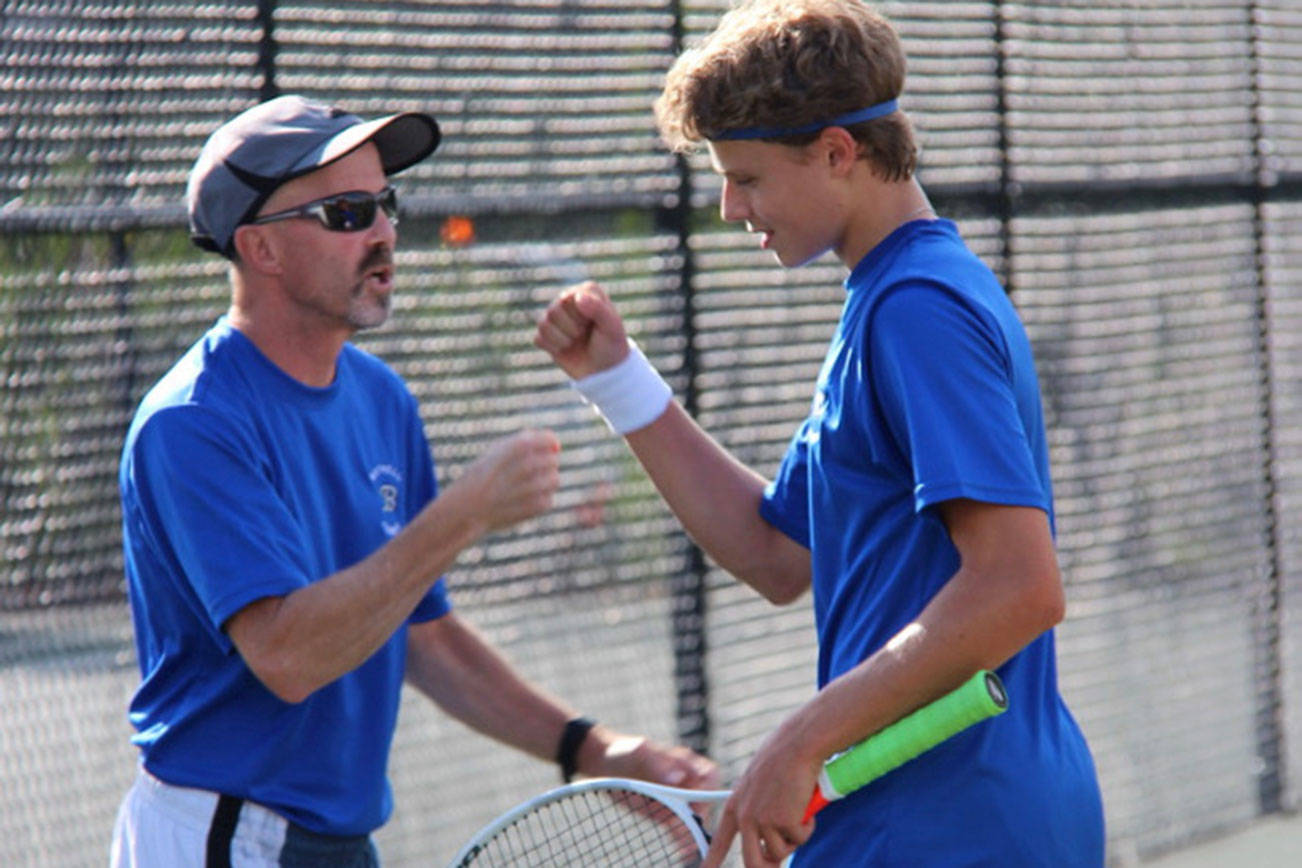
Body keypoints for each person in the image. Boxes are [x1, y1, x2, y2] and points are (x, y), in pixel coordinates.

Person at [534, 1, 1106, 865]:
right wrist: (619, 382)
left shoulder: (918, 310)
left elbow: (1019, 588)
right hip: (932, 823)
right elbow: (776, 553)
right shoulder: (888, 301)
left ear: (839, 153)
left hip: (948, 832)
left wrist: (798, 742)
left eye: (749, 177)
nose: (731, 207)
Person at [110, 94, 717, 868]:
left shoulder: (380, 398)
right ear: (260, 249)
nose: (385, 233)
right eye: (348, 212)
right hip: (224, 835)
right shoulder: (193, 423)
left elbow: (421, 637)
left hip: (337, 841)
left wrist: (591, 748)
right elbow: (287, 656)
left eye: (386, 205)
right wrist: (463, 515)